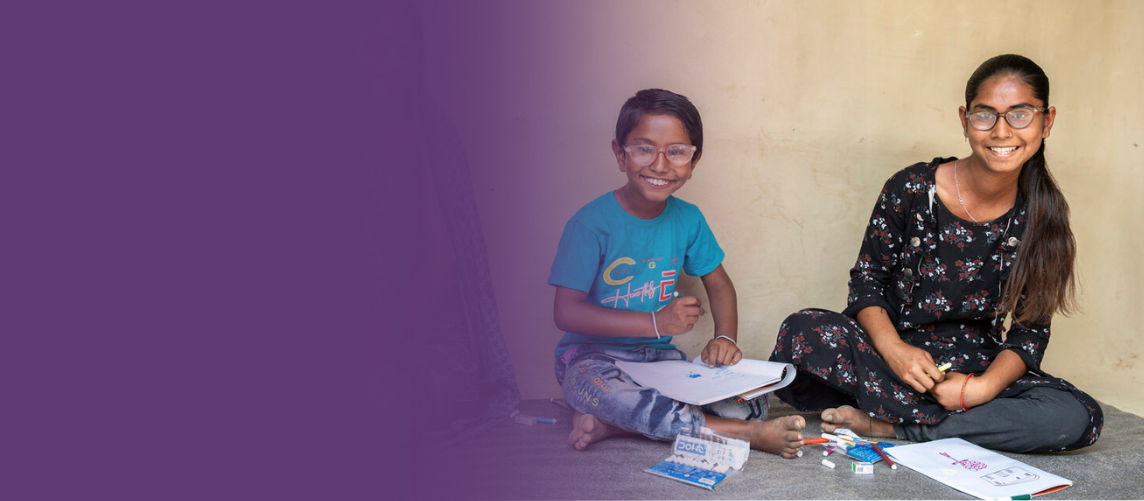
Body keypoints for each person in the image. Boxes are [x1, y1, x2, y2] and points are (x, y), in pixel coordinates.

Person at [769, 54, 1102, 453]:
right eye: (985, 115)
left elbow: (1030, 330)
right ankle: (945, 419)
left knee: (1074, 416)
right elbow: (867, 284)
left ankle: (893, 427)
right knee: (802, 332)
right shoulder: (910, 188)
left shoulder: (1044, 215)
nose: (1001, 131)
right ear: (964, 120)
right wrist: (896, 353)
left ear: (1046, 122)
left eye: (1020, 114)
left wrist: (981, 389)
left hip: (972, 366)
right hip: (885, 353)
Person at [549, 89, 806, 457]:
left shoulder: (688, 219)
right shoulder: (590, 225)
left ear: (694, 160)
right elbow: (566, 312)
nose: (660, 164)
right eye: (643, 148)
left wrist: (726, 340)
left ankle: (613, 425)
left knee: (750, 399)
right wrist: (655, 322)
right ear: (620, 154)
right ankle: (744, 434)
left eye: (677, 151)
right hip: (592, 360)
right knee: (599, 392)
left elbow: (720, 286)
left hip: (661, 363)